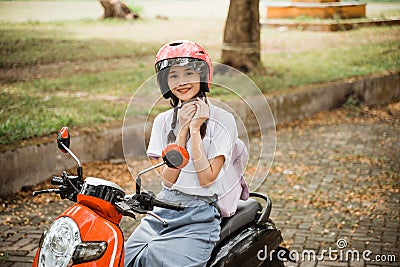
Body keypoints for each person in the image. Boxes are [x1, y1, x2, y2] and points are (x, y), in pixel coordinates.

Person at [124, 40, 246, 267]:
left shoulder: (223, 120)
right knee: (126, 260)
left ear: (202, 76)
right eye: (173, 76)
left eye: (189, 73)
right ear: (165, 82)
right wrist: (181, 132)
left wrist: (195, 132)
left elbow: (207, 178)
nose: (182, 82)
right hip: (162, 210)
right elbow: (168, 181)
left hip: (199, 215)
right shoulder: (162, 122)